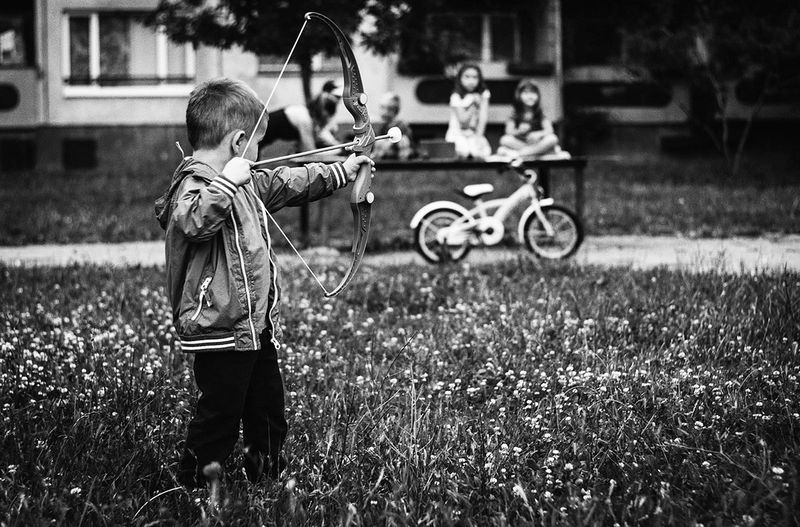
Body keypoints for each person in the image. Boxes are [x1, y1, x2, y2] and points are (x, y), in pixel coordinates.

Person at [154, 78, 374, 488]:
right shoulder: (195, 184)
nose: (259, 152)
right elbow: (193, 221)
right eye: (257, 143)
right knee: (220, 413)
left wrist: (341, 172)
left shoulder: (247, 183)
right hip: (219, 328)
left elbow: (289, 181)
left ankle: (266, 478)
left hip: (254, 327)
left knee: (268, 409)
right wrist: (226, 183)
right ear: (238, 142)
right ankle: (193, 485)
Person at [258, 79, 344, 155]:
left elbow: (321, 134)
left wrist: (337, 145)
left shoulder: (308, 115)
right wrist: (339, 150)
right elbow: (310, 152)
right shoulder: (305, 119)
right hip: (259, 131)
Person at [496, 79, 569, 159]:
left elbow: (549, 130)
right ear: (519, 95)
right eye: (526, 93)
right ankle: (537, 154)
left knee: (552, 139)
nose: (530, 96)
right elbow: (508, 131)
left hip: (538, 144)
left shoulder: (540, 113)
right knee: (505, 140)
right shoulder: (515, 113)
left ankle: (521, 154)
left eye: (533, 93)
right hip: (521, 144)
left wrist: (538, 134)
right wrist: (519, 131)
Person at [445, 63, 492, 160]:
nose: (471, 81)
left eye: (475, 77)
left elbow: (483, 118)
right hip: (457, 135)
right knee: (463, 152)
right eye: (467, 77)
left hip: (474, 135)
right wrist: (473, 104)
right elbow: (463, 120)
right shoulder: (456, 96)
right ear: (460, 78)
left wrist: (479, 137)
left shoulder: (484, 94)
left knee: (482, 153)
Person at [372, 92, 415, 160]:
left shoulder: (402, 127)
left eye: (389, 109)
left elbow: (409, 150)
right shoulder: (377, 127)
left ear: (396, 110)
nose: (384, 112)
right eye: (382, 107)